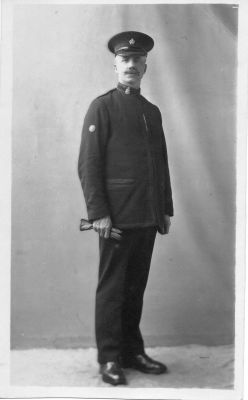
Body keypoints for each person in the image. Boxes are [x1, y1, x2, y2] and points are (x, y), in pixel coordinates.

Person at [78, 31, 173, 386]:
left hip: (147, 215)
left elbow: (160, 163)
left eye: (137, 60)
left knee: (135, 287)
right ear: (115, 65)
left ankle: (133, 351)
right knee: (113, 288)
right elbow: (88, 164)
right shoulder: (102, 107)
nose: (131, 65)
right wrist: (98, 213)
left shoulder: (151, 111)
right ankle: (109, 358)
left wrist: (165, 208)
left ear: (145, 66)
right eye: (125, 59)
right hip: (114, 216)